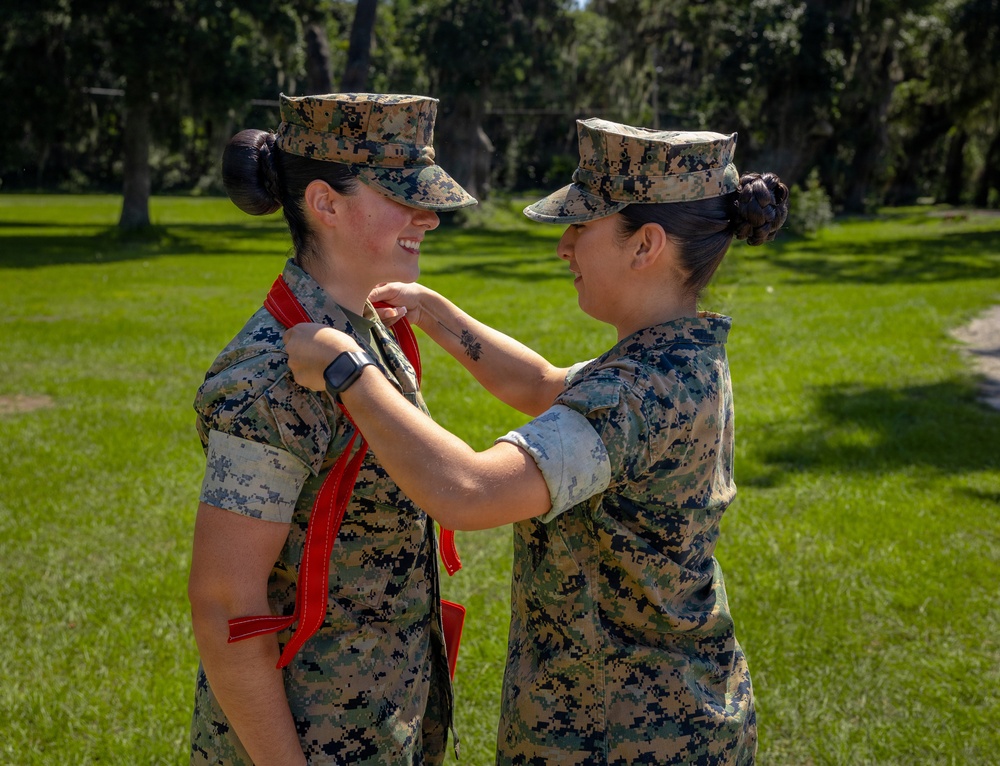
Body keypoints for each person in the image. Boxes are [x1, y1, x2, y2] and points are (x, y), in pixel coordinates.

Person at [282, 118, 789, 765]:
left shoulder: (630, 396)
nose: (564, 247)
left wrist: (345, 366)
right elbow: (543, 384)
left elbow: (466, 491)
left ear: (646, 245)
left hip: (618, 737)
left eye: (582, 227)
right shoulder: (678, 357)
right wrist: (431, 312)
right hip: (677, 716)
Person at [187, 92, 476, 766]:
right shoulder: (271, 378)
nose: (429, 219)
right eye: (404, 198)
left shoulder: (365, 332)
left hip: (377, 716)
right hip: (304, 737)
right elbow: (224, 604)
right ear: (326, 203)